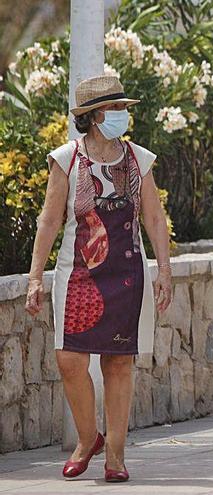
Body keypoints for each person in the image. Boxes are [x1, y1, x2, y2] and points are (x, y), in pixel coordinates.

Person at [25, 75, 173, 482]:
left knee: (119, 362)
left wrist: (165, 270)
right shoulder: (67, 159)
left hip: (126, 272)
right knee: (69, 359)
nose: (123, 116)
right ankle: (88, 438)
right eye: (115, 109)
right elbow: (50, 220)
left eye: (124, 108)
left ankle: (116, 456)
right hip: (77, 275)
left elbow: (155, 218)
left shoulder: (139, 159)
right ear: (93, 116)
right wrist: (36, 276)